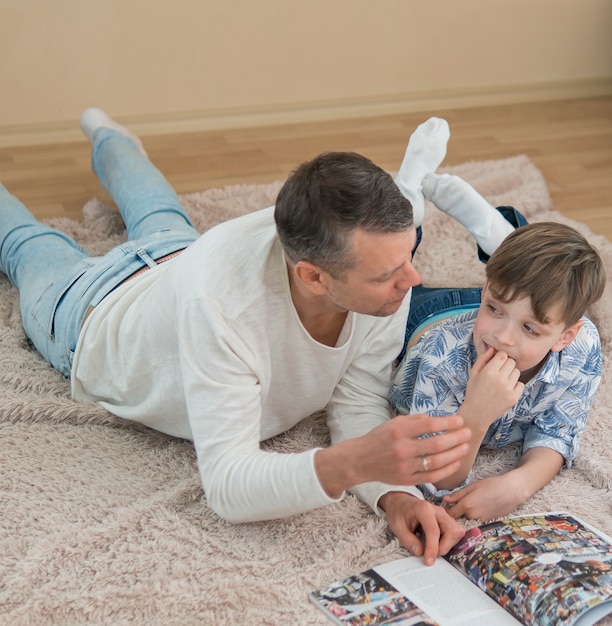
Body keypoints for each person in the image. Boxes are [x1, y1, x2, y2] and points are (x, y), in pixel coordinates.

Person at [0, 109, 474, 565]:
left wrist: (394, 494)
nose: (412, 279)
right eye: (389, 273)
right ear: (312, 277)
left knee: (158, 210)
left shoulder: (379, 263)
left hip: (178, 257)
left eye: (409, 253)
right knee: (27, 243)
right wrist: (350, 463)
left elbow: (355, 398)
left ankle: (111, 138)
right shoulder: (223, 308)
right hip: (91, 310)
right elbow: (227, 485)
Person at [390, 172, 606, 522]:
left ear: (565, 336)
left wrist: (518, 485)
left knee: (535, 279)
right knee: (389, 283)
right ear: (486, 288)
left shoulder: (580, 347)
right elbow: (434, 477)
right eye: (494, 307)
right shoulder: (442, 356)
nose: (503, 338)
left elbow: (557, 430)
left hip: (492, 304)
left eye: (530, 329)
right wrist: (474, 415)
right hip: (428, 318)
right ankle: (409, 202)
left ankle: (500, 240)